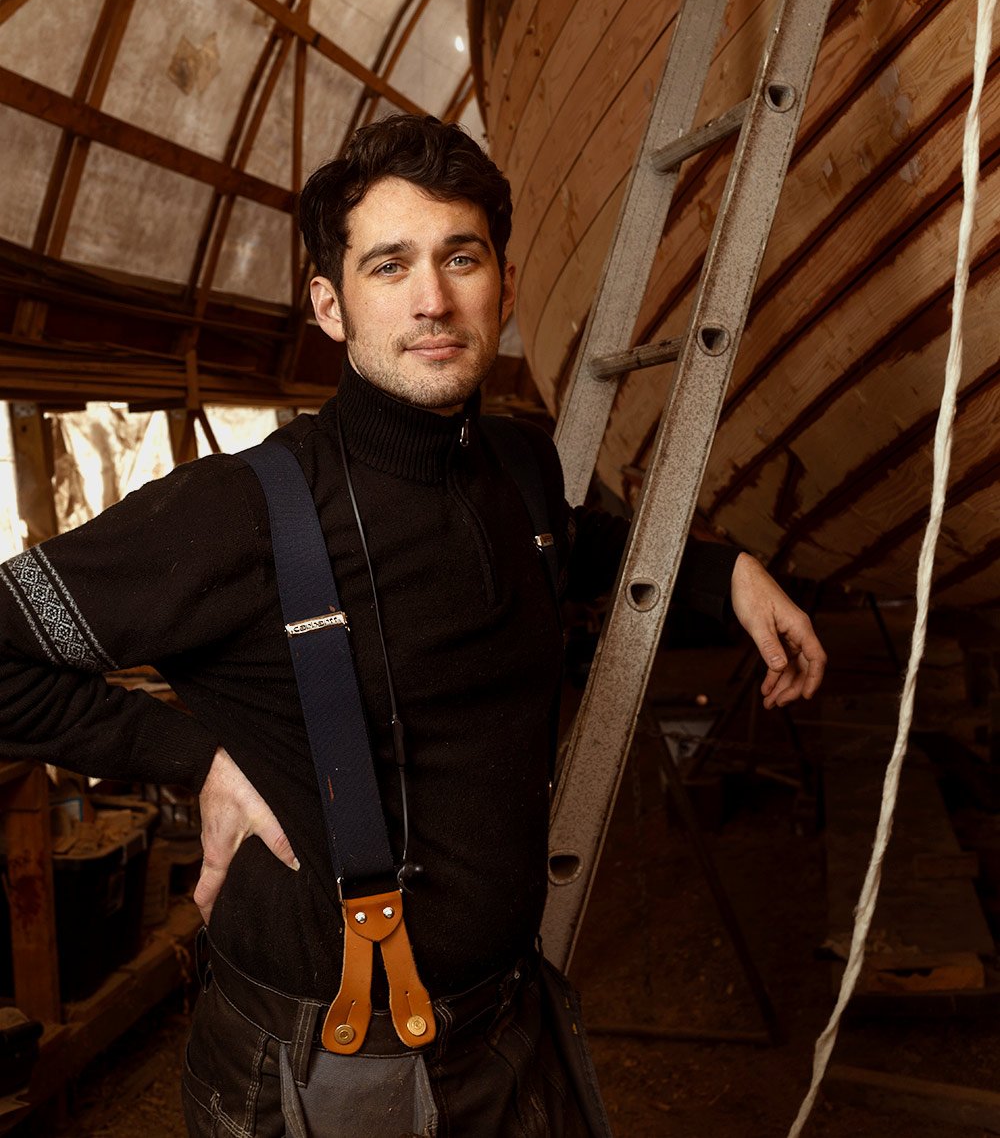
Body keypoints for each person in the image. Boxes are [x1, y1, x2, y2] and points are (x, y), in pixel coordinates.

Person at [0, 114, 825, 1136]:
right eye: (389, 265)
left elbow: (577, 545)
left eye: (460, 258)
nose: (433, 299)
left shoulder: (519, 466)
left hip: (511, 1021)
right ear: (330, 305)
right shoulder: (239, 511)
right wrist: (194, 757)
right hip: (333, 1065)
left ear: (504, 289)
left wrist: (726, 572)